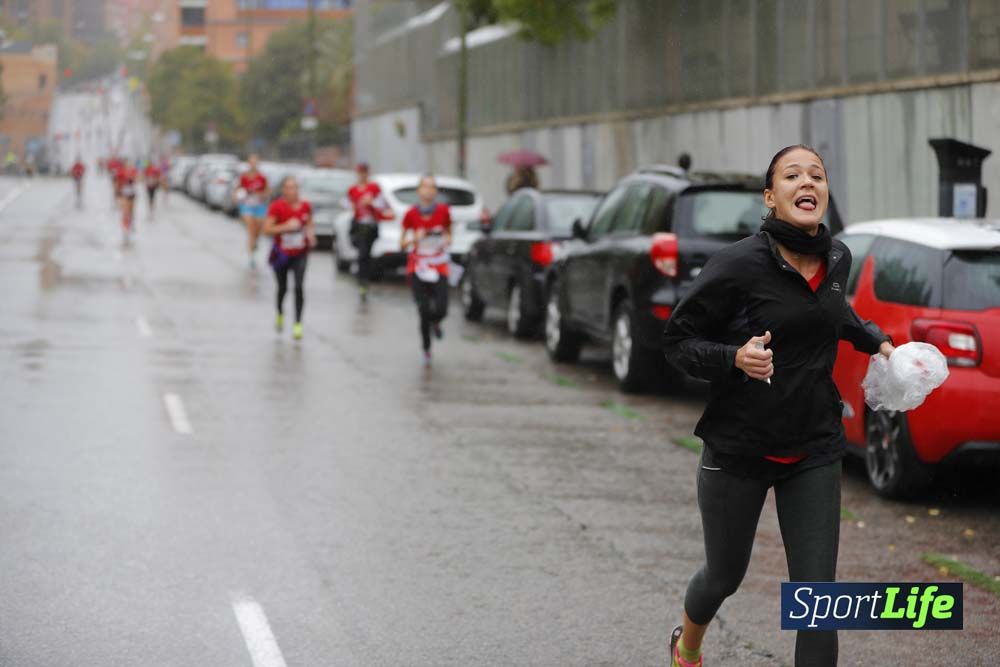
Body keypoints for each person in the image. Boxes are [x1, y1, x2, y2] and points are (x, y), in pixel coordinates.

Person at [662, 145, 895, 667]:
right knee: (724, 576)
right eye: (792, 175)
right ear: (771, 197)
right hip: (739, 446)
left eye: (817, 175)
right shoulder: (739, 264)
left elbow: (832, 311)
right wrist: (734, 357)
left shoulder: (837, 258)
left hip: (813, 445)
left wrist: (877, 341)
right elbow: (676, 340)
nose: (807, 182)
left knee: (819, 602)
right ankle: (688, 645)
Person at [400, 175, 452, 366]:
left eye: (432, 187)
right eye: (425, 186)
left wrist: (446, 239)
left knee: (442, 307)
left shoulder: (444, 212)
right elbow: (402, 242)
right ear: (419, 191)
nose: (428, 190)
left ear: (436, 191)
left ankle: (436, 321)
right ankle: (426, 349)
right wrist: (415, 238)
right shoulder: (411, 214)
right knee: (423, 309)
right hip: (418, 267)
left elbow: (449, 233)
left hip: (439, 264)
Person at [263, 175, 315, 341]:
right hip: (282, 255)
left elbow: (309, 223)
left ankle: (298, 323)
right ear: (284, 190)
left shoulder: (306, 206)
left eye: (295, 187)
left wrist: (311, 235)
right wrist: (286, 227)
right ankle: (280, 312)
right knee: (283, 288)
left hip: (300, 253)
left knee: (299, 287)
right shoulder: (277, 207)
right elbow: (267, 229)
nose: (293, 191)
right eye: (289, 187)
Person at [347, 162, 392, 301]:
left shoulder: (374, 188)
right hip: (358, 225)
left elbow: (384, 205)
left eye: (364, 172)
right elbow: (347, 204)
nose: (362, 175)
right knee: (362, 253)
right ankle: (362, 278)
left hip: (371, 225)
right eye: (360, 172)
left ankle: (363, 279)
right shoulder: (353, 189)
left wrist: (371, 203)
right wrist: (355, 206)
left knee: (365, 254)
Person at [238, 154, 269, 269]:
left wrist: (261, 194)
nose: (253, 164)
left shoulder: (262, 177)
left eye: (255, 162)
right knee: (251, 228)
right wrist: (238, 195)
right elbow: (238, 189)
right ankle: (252, 257)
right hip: (247, 205)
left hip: (259, 206)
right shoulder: (244, 177)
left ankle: (255, 241)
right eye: (251, 162)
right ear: (248, 163)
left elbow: (267, 191)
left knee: (258, 229)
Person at [115, 158, 139, 242]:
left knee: (131, 211)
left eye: (129, 163)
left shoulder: (133, 171)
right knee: (125, 212)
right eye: (126, 163)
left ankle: (131, 223)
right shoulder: (120, 171)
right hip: (124, 193)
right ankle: (125, 229)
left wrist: (133, 179)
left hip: (132, 193)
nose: (128, 164)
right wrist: (117, 193)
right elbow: (117, 182)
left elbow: (138, 179)